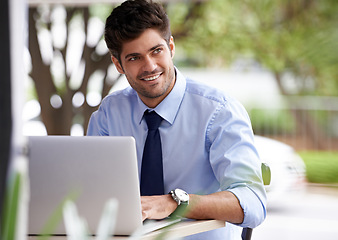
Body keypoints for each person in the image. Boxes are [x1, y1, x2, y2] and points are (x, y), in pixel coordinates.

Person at [87, 0, 266, 239]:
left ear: (171, 47)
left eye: (156, 51)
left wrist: (176, 203)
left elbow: (253, 202)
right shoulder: (109, 114)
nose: (149, 66)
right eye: (134, 58)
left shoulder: (220, 111)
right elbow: (90, 193)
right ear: (118, 64)